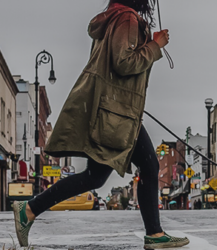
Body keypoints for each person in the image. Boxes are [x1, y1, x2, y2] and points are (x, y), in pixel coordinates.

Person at [12, 0, 190, 249]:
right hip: (118, 113)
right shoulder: (126, 18)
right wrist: (154, 46)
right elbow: (123, 62)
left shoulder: (113, 17)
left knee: (97, 178)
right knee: (149, 165)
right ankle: (154, 234)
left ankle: (29, 209)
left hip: (114, 110)